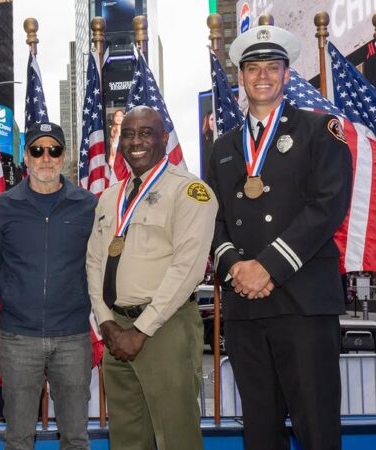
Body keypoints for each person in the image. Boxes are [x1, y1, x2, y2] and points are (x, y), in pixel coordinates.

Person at [206, 25, 353, 450]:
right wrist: (235, 266)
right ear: (241, 77)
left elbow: (327, 207)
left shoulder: (320, 130)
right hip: (246, 309)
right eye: (253, 68)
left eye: (273, 67)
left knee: (317, 428)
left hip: (303, 302)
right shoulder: (224, 147)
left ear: (288, 74)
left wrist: (266, 267)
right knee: (260, 429)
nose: (263, 75)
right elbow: (211, 219)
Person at [86, 105, 218, 450]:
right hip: (116, 329)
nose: (136, 141)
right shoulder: (110, 197)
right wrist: (106, 322)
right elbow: (94, 260)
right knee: (128, 438)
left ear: (163, 138)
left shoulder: (189, 191)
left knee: (177, 437)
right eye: (128, 134)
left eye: (146, 132)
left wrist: (141, 330)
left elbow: (187, 269)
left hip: (165, 328)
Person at [0, 122, 96, 450]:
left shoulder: (88, 205)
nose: (45, 157)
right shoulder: (3, 206)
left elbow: (100, 263)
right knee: (18, 438)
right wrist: (17, 300)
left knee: (76, 437)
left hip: (73, 337)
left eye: (54, 150)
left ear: (64, 156)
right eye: (37, 150)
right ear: (26, 157)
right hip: (19, 338)